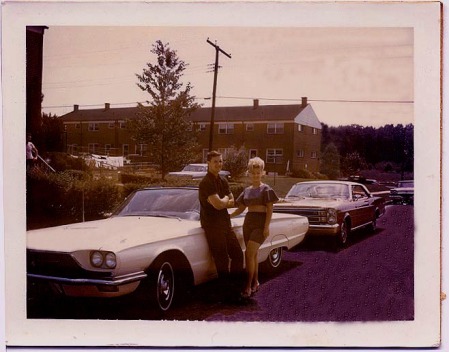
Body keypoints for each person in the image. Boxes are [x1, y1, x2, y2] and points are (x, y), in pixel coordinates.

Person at [199, 150, 244, 303]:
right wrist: (225, 200)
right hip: (212, 226)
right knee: (222, 260)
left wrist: (223, 200)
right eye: (215, 161)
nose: (218, 164)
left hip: (225, 224)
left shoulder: (223, 180)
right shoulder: (206, 183)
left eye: (220, 161)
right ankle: (227, 296)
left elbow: (233, 201)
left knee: (238, 255)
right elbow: (219, 205)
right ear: (208, 163)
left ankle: (235, 290)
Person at [230, 157, 279, 298]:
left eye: (258, 173)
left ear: (263, 173)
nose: (256, 175)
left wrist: (266, 227)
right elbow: (241, 208)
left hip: (260, 223)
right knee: (254, 255)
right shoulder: (246, 191)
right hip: (248, 222)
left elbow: (270, 209)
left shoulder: (266, 189)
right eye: (253, 173)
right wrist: (229, 216)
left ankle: (248, 286)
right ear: (249, 174)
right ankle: (256, 282)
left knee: (249, 254)